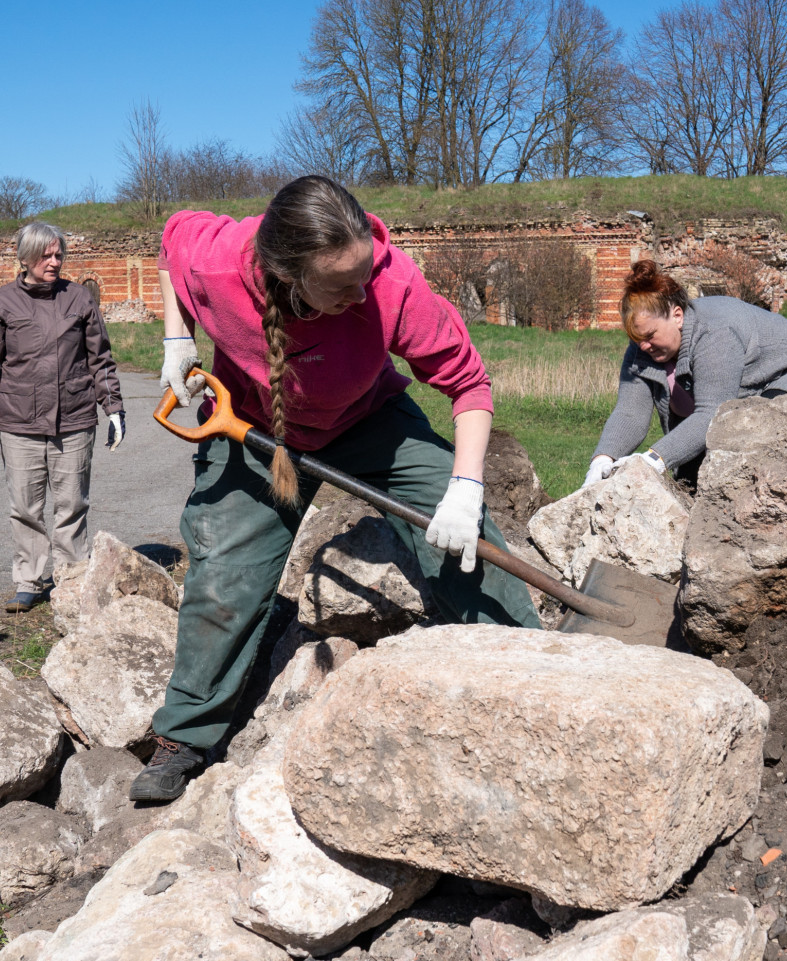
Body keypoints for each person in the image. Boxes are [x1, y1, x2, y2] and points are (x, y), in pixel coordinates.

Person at [130, 175, 542, 803]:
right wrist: (176, 336)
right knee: (224, 575)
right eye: (342, 284)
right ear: (288, 275)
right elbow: (171, 240)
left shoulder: (391, 283)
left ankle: (535, 671)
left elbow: (468, 384)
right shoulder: (218, 264)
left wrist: (463, 488)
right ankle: (184, 735)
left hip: (369, 421)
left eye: (365, 272)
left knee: (464, 538)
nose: (362, 292)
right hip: (254, 428)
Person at [0, 221, 125, 613]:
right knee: (25, 507)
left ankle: (72, 580)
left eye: (59, 255)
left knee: (72, 504)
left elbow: (100, 359)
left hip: (74, 419)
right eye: (46, 255)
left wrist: (114, 408)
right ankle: (29, 581)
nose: (54, 262)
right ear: (25, 258)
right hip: (19, 421)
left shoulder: (79, 298)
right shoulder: (0, 303)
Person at [582, 259, 787, 490]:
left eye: (650, 336)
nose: (643, 346)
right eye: (636, 339)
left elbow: (711, 414)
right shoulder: (642, 348)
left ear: (677, 316)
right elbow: (630, 412)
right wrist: (603, 458)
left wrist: (654, 459)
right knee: (689, 481)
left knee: (754, 441)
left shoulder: (715, 333)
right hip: (737, 393)